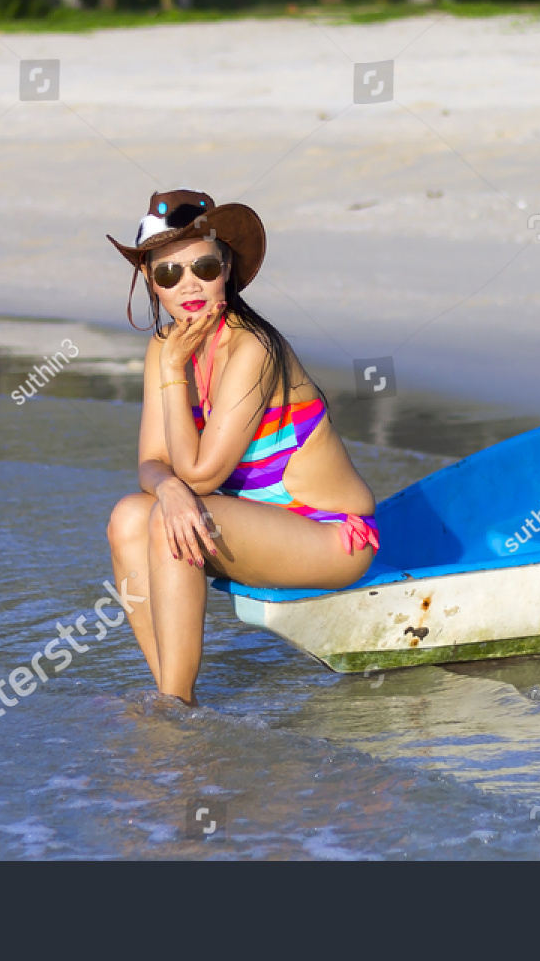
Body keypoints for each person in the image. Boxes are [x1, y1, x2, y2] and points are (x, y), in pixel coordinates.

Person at [104, 191, 379, 705]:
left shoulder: (252, 346)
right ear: (150, 281)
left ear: (226, 267)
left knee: (173, 519)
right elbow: (152, 462)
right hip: (248, 523)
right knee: (128, 517)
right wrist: (168, 488)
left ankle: (175, 709)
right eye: (168, 274)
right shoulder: (166, 348)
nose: (188, 285)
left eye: (203, 267)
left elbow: (201, 475)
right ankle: (171, 696)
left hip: (329, 536)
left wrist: (170, 381)